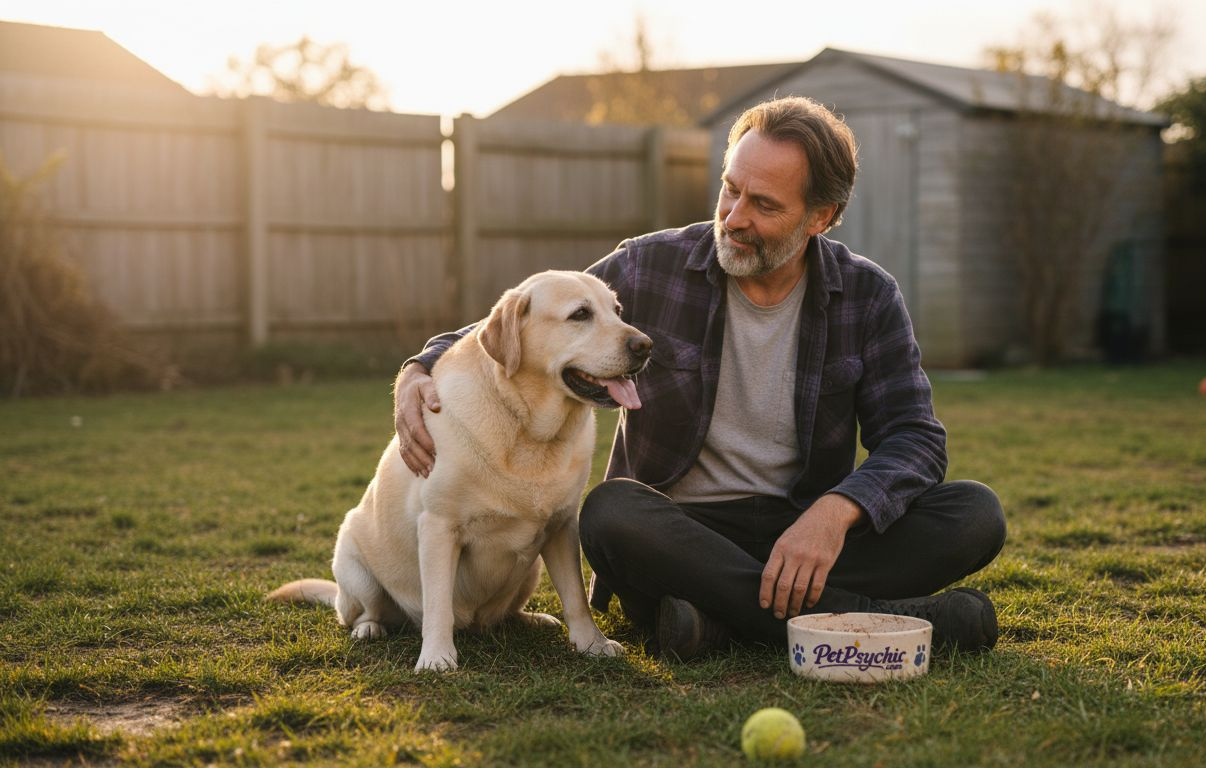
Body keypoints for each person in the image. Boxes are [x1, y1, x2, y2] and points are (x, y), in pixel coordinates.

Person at [394, 96, 1006, 660]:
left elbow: (916, 439)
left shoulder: (868, 296)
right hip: (679, 534)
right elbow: (525, 317)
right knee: (610, 511)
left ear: (821, 216)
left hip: (806, 532)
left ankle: (718, 621)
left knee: (975, 514)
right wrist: (420, 367)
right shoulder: (650, 264)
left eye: (764, 205)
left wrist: (834, 514)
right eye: (730, 190)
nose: (734, 217)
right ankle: (870, 622)